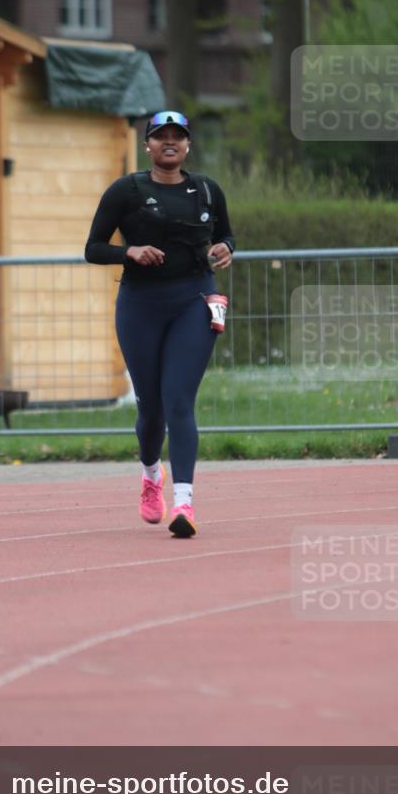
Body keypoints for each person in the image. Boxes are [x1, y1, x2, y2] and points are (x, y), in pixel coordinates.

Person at [84, 110, 235, 538]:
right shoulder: (126, 191)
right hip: (140, 305)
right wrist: (128, 252)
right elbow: (93, 248)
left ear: (188, 145)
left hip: (195, 300)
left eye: (178, 136)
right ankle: (152, 475)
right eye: (160, 136)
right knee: (151, 408)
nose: (170, 142)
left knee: (178, 400)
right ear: (147, 145)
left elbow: (227, 234)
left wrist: (226, 247)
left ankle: (184, 503)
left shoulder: (207, 189)